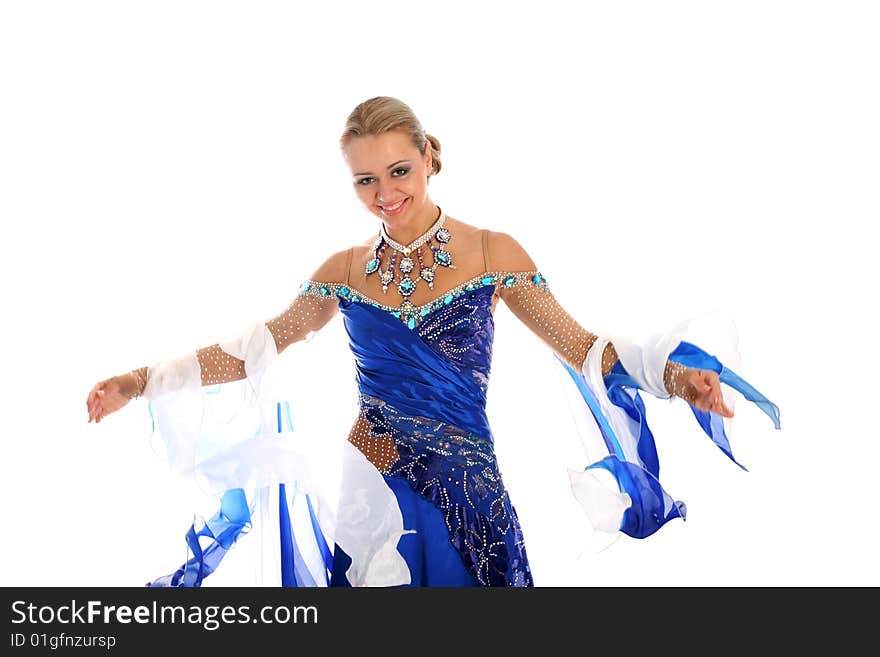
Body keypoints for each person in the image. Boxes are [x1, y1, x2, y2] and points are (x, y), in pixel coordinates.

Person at [85, 96, 780, 587]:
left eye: (397, 170)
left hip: (470, 483)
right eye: (365, 179)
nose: (385, 192)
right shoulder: (345, 272)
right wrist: (139, 379)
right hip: (375, 470)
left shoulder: (490, 250)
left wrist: (678, 374)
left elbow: (583, 346)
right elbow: (254, 348)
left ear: (427, 157)